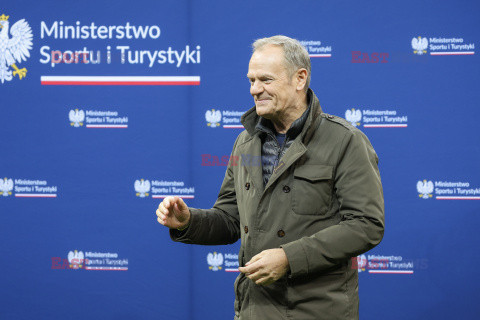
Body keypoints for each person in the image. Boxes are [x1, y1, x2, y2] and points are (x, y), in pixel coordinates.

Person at [156, 35, 384, 320]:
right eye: (251, 80)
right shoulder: (245, 142)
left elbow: (366, 225)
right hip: (255, 310)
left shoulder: (345, 141)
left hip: (318, 311)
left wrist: (289, 259)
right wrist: (189, 221)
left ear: (300, 78)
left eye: (265, 80)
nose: (255, 89)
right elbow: (231, 219)